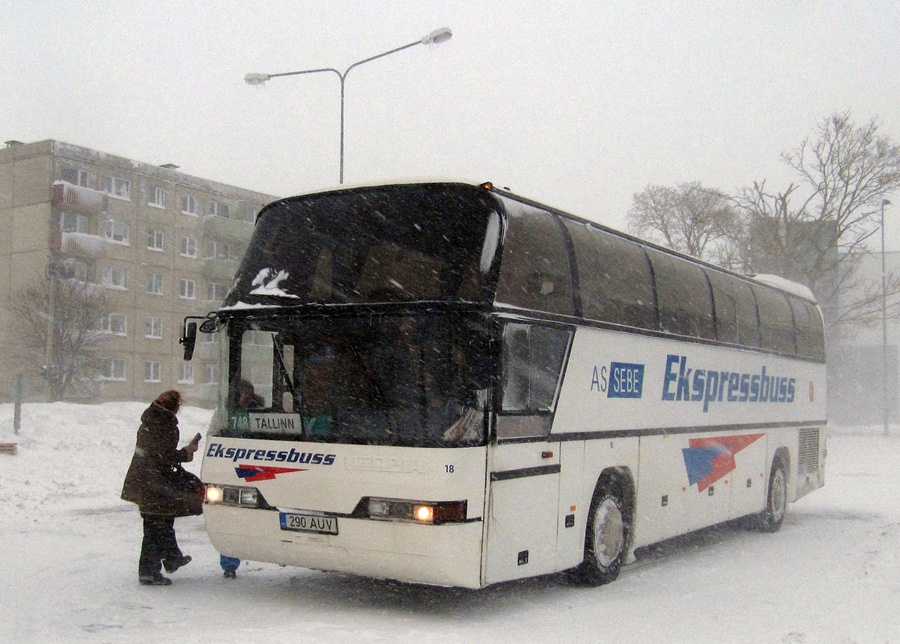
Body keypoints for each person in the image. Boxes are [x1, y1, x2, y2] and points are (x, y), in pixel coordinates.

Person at [121, 390, 202, 586]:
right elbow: (163, 456)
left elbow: (155, 452)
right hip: (154, 482)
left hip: (145, 479)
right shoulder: (164, 424)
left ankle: (172, 558)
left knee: (160, 522)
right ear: (174, 406)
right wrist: (186, 453)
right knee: (156, 526)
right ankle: (149, 572)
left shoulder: (151, 419)